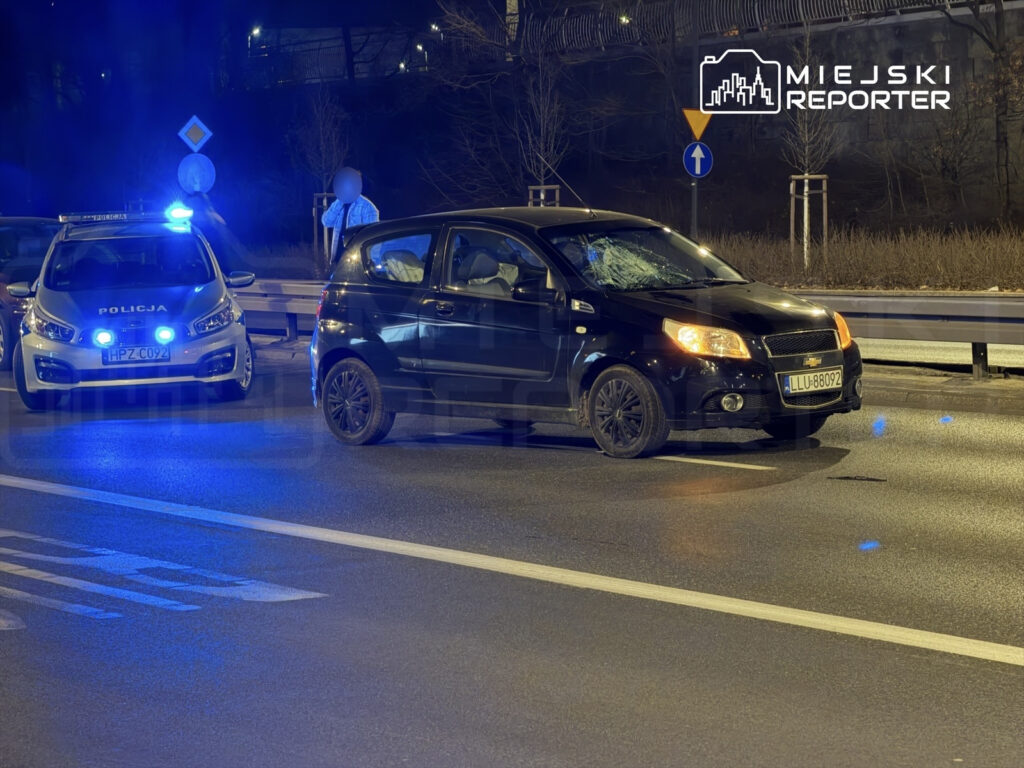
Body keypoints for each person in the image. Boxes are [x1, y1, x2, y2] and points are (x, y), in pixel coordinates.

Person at [321, 167, 379, 261]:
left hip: (357, 261)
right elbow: (326, 221)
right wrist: (338, 202)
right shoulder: (339, 204)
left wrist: (373, 261)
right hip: (338, 260)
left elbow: (373, 237)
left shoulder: (367, 207)